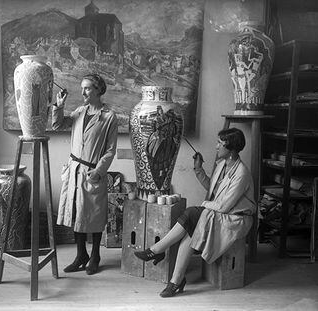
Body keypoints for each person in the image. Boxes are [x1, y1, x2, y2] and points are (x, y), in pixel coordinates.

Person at [134, 128, 255, 297]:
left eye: (220, 143)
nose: (216, 146)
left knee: (192, 214)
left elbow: (225, 206)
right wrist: (198, 169)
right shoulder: (222, 165)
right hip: (221, 212)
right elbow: (213, 190)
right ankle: (176, 280)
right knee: (192, 227)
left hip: (235, 218)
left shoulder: (241, 173)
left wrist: (205, 204)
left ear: (232, 150)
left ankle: (158, 250)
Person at [51, 73, 118, 275]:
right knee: (76, 212)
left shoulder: (108, 117)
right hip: (74, 170)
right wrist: (59, 106)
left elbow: (110, 149)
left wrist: (98, 171)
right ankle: (81, 255)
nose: (83, 92)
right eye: (82, 88)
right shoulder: (79, 112)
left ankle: (95, 255)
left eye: (87, 88)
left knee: (95, 214)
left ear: (98, 90)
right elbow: (57, 125)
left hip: (92, 172)